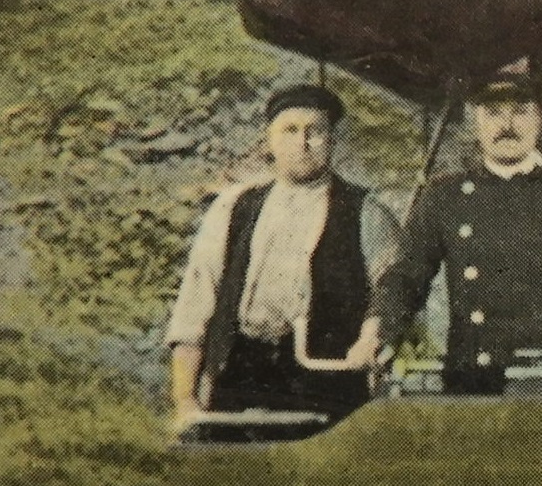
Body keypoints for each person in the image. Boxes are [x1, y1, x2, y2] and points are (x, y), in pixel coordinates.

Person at [350, 64, 542, 394]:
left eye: (520, 112)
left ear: (539, 120)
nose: (506, 125)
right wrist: (377, 330)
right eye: (492, 113)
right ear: (476, 122)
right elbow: (406, 275)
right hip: (473, 379)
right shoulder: (443, 195)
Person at [164, 83, 401, 423]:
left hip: (327, 382)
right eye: (290, 130)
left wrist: (374, 337)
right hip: (239, 376)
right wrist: (185, 399)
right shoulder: (234, 208)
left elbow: (396, 293)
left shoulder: (366, 212)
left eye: (315, 131)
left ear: (332, 140)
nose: (302, 144)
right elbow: (195, 304)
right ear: (269, 140)